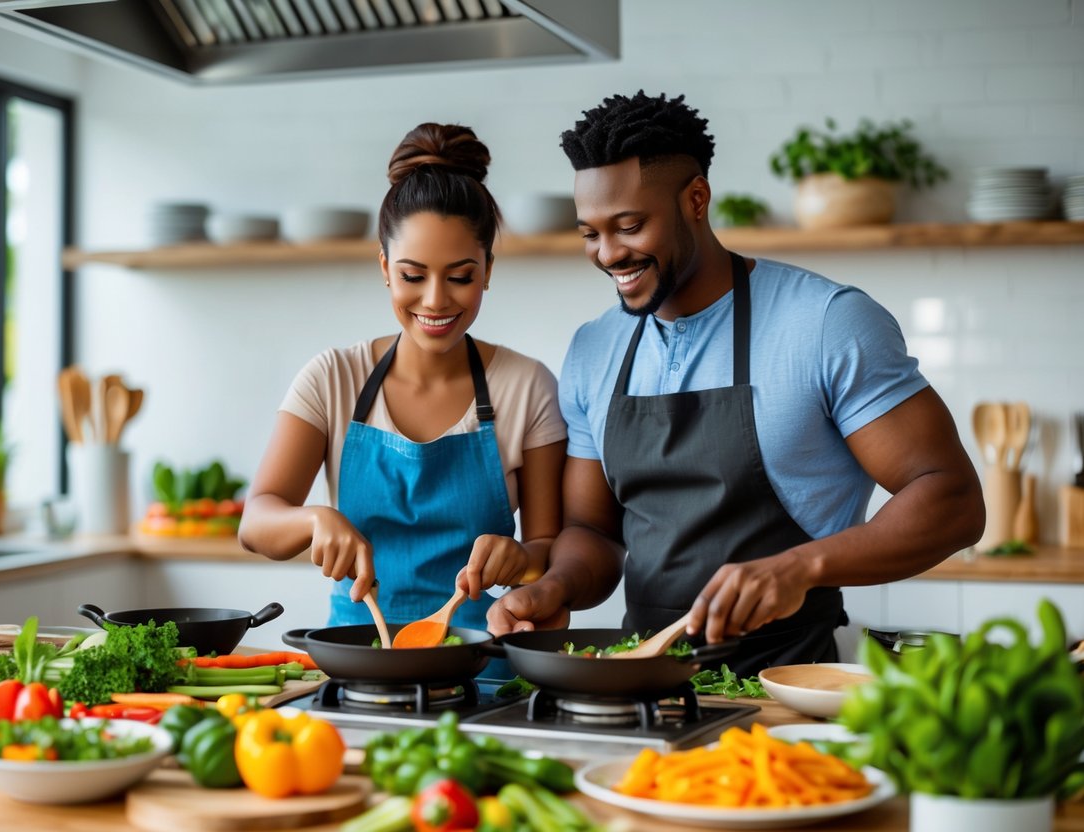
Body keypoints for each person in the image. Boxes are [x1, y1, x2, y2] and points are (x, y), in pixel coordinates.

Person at [486, 92, 985, 675]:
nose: (609, 254)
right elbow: (592, 530)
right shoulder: (593, 349)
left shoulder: (825, 322)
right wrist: (558, 588)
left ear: (696, 199)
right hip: (642, 681)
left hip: (785, 688)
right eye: (590, 234)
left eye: (629, 226)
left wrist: (802, 567)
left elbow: (952, 498)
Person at [240, 123, 567, 639]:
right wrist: (314, 520)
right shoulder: (332, 378)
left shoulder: (527, 388)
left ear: (487, 270)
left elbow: (550, 550)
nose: (436, 300)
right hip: (355, 658)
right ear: (385, 269)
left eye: (460, 276)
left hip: (483, 660)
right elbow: (255, 525)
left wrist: (521, 557)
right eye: (413, 276)